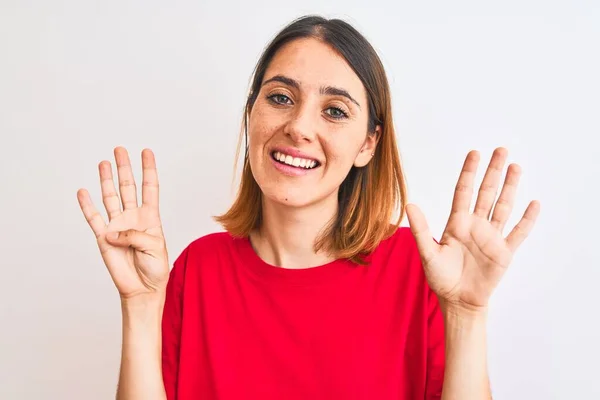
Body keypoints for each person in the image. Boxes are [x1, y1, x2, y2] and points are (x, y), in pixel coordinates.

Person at [77, 15, 540, 400]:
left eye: (335, 110)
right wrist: (139, 306)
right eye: (280, 98)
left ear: (368, 144)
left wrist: (466, 315)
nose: (299, 126)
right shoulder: (197, 269)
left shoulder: (419, 268)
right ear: (251, 112)